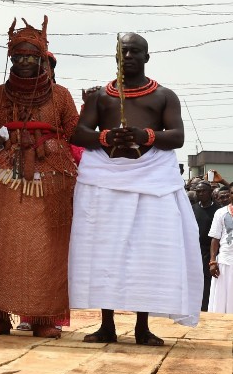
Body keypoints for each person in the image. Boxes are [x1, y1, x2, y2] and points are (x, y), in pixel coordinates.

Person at [69, 33, 202, 345]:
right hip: (105, 180)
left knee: (145, 254)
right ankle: (106, 325)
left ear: (146, 57)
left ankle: (143, 327)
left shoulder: (164, 96)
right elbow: (79, 133)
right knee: (104, 251)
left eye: (134, 51)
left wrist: (146, 135)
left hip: (151, 179)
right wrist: (106, 138)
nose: (127, 56)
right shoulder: (101, 96)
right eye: (122, 51)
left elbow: (178, 136)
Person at [0, 18, 79, 339]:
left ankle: (44, 317)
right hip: (3, 179)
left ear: (43, 59)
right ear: (11, 60)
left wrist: (55, 144)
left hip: (48, 181)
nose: (26, 62)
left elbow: (76, 133)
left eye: (32, 57)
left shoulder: (60, 95)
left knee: (46, 248)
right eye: (19, 57)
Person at [194, 182, 221, 310]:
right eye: (198, 191)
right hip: (194, 250)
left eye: (203, 191)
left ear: (210, 192)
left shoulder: (218, 210)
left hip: (210, 251)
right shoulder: (192, 209)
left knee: (208, 281)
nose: (200, 193)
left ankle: (206, 307)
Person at [207, 202, 233, 312]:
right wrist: (213, 262)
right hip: (225, 261)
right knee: (221, 299)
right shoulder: (221, 212)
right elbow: (215, 238)